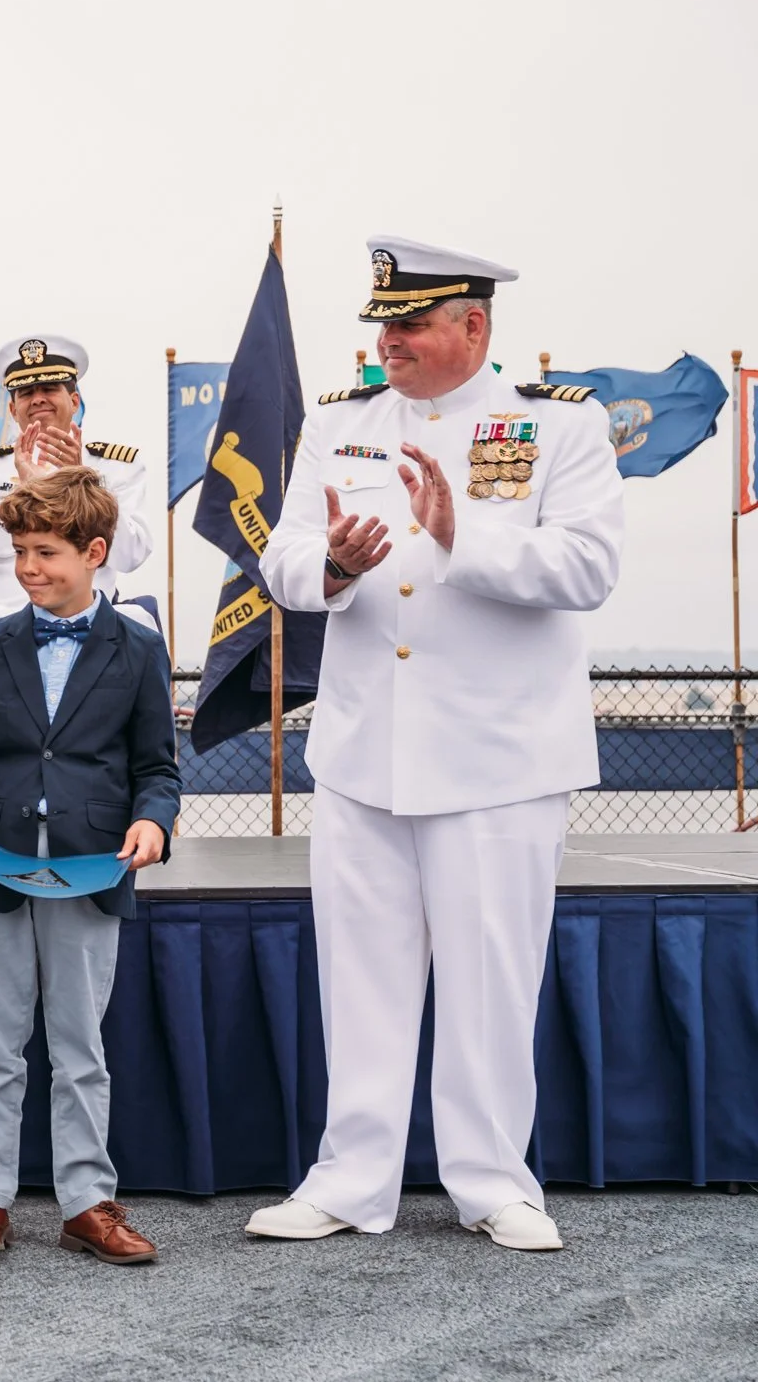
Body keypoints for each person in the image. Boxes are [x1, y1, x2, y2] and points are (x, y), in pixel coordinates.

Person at [250, 237, 623, 1251]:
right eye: (382, 322)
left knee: (490, 977)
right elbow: (279, 559)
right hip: (367, 750)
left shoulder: (558, 427)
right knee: (359, 977)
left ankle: (495, 1181)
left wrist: (466, 534)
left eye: (409, 323)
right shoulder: (340, 423)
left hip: (499, 761)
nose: (388, 341)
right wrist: (324, 563)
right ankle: (350, 1181)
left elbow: (590, 568)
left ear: (473, 325)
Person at [0, 467, 180, 1265]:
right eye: (19, 551)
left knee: (80, 1044)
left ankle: (86, 1200)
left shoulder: (141, 647)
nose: (28, 567)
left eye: (44, 552)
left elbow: (158, 768)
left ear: (95, 550)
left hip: (92, 866)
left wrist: (152, 822)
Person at [0, 336, 154, 636]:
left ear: (75, 401)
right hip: (3, 623)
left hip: (89, 626)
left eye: (50, 389)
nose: (38, 398)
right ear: (13, 410)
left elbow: (131, 556)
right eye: (26, 392)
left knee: (139, 621)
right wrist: (20, 498)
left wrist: (82, 489)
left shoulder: (115, 466)